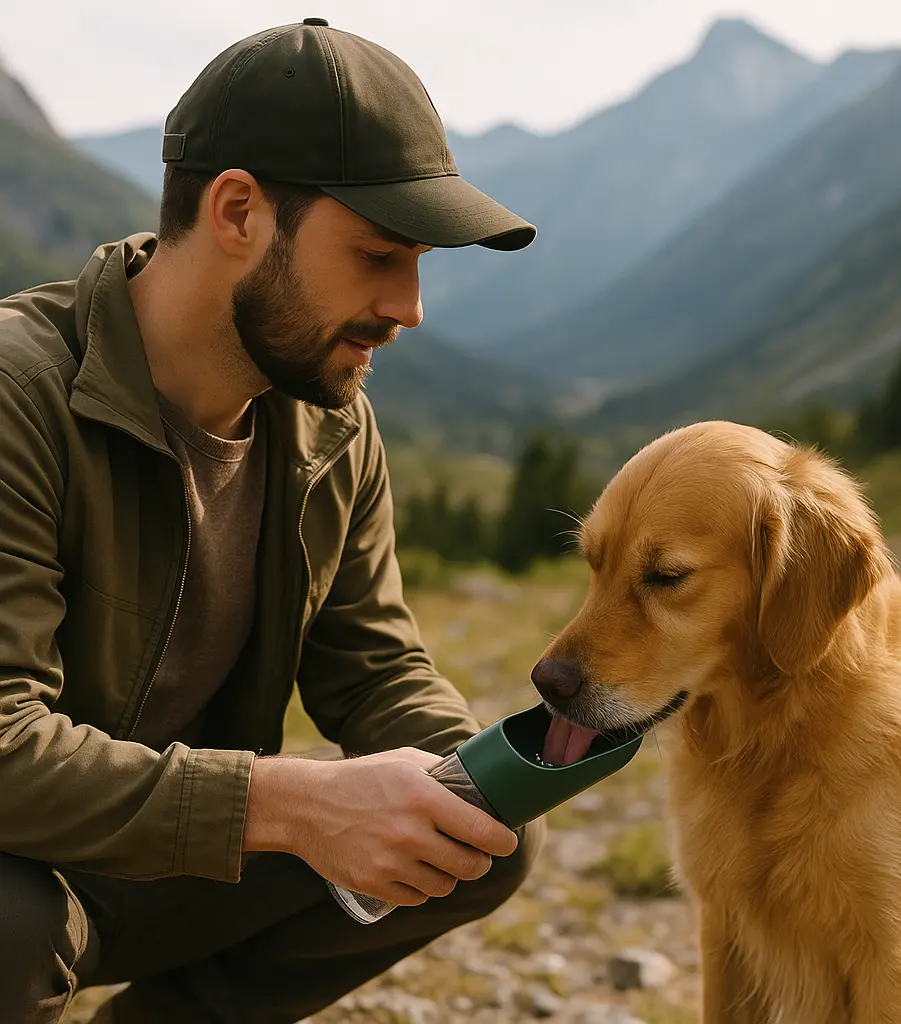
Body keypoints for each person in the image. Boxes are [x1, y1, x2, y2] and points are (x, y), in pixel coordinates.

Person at [0, 19, 543, 1024]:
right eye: (377, 254)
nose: (409, 306)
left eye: (418, 261)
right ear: (238, 211)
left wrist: (478, 780)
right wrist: (290, 802)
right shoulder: (16, 395)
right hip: (24, 857)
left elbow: (371, 666)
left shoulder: (330, 426)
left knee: (477, 840)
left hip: (162, 858)